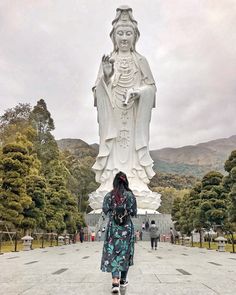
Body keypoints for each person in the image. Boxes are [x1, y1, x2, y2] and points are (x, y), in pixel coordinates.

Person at [90, 5, 157, 211]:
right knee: (114, 143)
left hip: (135, 116)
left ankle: (136, 180)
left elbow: (151, 88)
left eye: (129, 33)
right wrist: (107, 77)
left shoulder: (141, 61)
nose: (125, 37)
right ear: (114, 36)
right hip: (114, 116)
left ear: (135, 36)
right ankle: (110, 179)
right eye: (120, 33)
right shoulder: (109, 60)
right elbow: (97, 89)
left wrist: (139, 92)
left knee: (133, 151)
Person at [101, 171, 137, 294]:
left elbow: (105, 210)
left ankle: (115, 281)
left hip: (113, 228)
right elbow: (133, 212)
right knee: (125, 253)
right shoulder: (130, 195)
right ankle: (123, 279)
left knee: (113, 253)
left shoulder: (109, 195)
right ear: (125, 181)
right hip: (126, 228)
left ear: (115, 181)